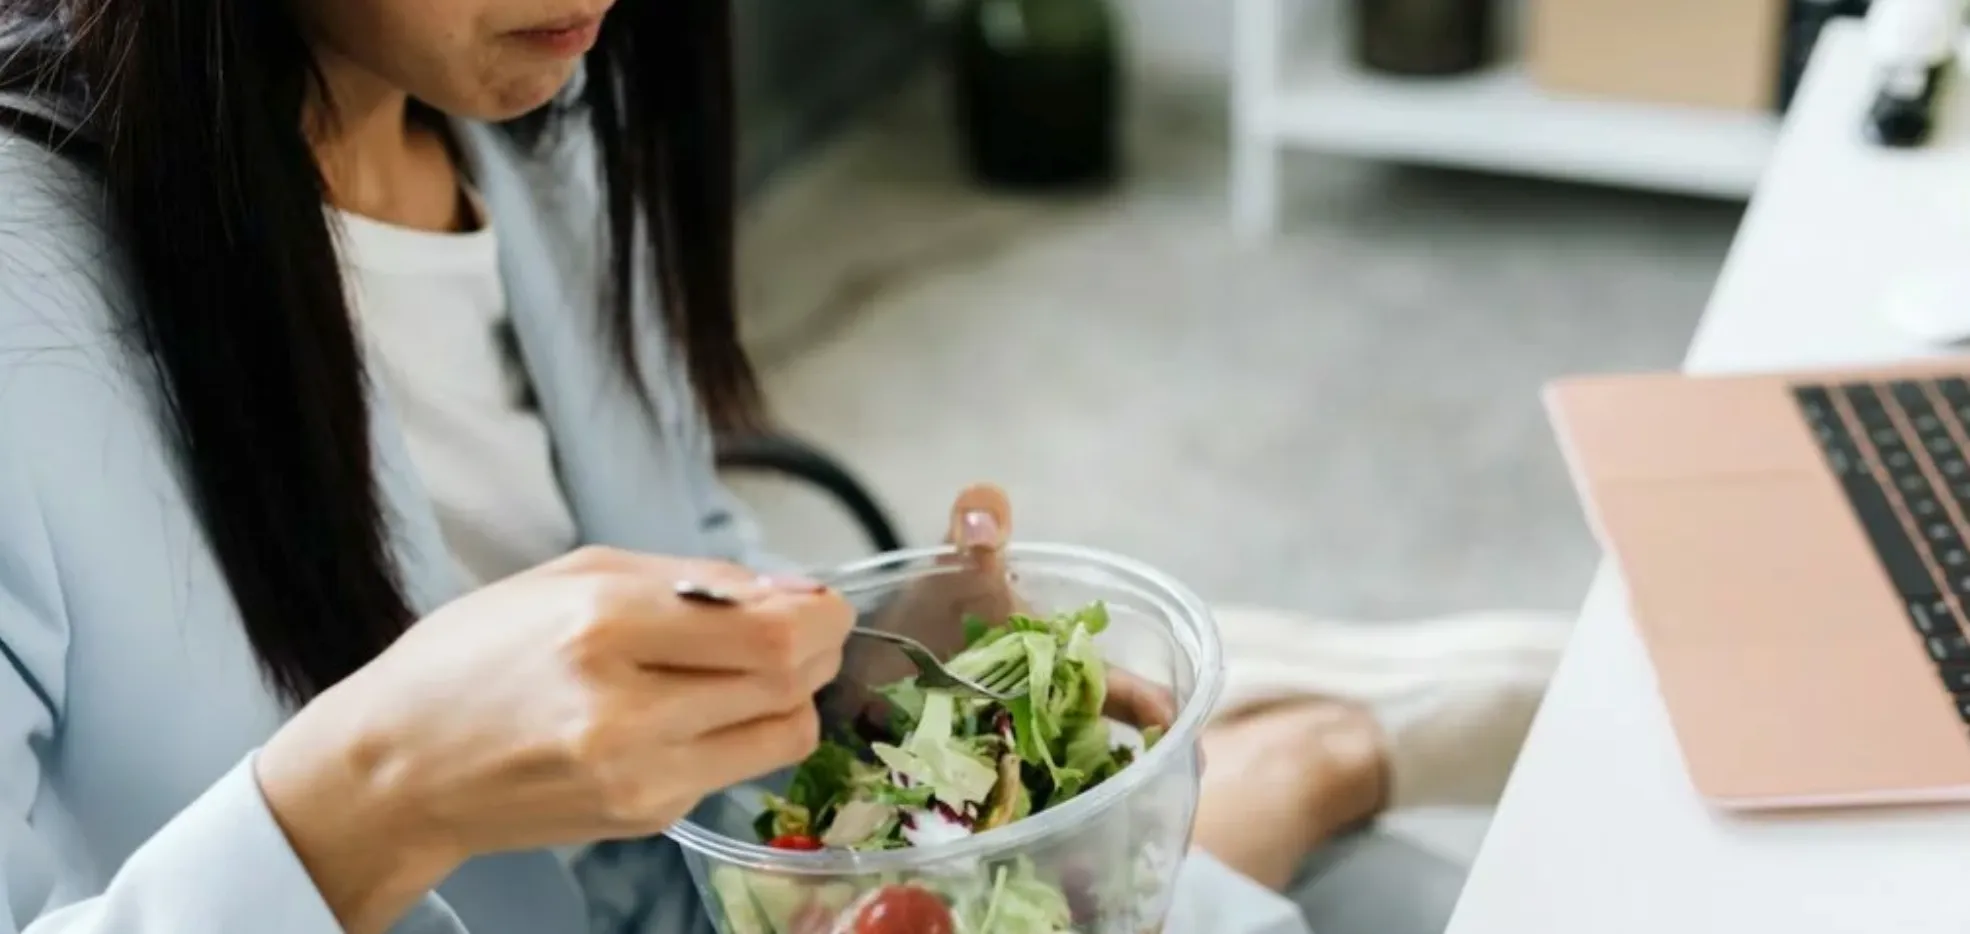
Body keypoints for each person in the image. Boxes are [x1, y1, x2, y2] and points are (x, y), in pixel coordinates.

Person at [0, 1, 1564, 932]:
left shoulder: (523, 96)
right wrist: (360, 799)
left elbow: (675, 533)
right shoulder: (29, 312)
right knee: (1291, 834)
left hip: (696, 886)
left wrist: (846, 670)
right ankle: (1330, 741)